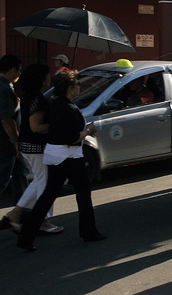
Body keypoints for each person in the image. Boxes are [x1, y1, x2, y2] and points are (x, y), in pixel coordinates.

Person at [17, 70, 105, 252]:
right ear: (71, 88)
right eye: (78, 85)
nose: (80, 87)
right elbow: (72, 137)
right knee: (82, 193)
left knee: (48, 195)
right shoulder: (69, 109)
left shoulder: (55, 104)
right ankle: (89, 231)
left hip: (54, 154)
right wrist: (88, 132)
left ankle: (26, 235)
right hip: (69, 156)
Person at [2, 65, 63, 234]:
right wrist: (57, 126)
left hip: (29, 145)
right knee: (45, 183)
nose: (49, 78)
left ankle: (16, 213)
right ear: (42, 79)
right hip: (36, 146)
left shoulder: (28, 96)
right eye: (47, 76)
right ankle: (42, 220)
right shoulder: (38, 100)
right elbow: (36, 126)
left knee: (39, 180)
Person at [0, 55, 28, 206]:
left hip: (9, 143)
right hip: (6, 144)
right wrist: (15, 141)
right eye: (19, 70)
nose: (19, 74)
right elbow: (6, 120)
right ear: (12, 70)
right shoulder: (4, 89)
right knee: (3, 180)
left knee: (20, 175)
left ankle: (21, 212)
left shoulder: (6, 87)